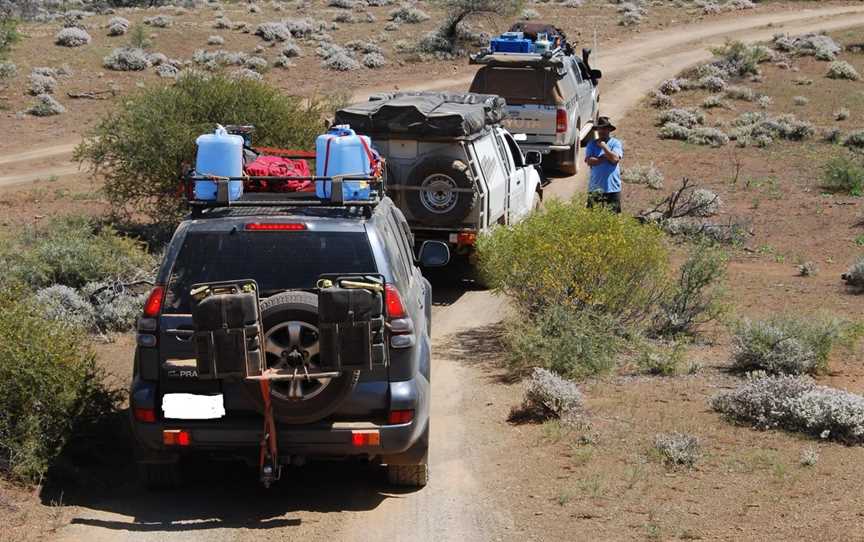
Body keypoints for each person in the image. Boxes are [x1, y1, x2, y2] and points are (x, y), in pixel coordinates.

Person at [585, 117, 623, 213]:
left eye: (605, 128)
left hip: (613, 188)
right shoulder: (591, 144)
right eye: (600, 128)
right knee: (592, 218)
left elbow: (615, 159)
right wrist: (607, 156)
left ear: (609, 130)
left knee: (613, 218)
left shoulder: (615, 143)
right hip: (595, 188)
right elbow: (589, 161)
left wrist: (604, 147)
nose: (602, 130)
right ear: (597, 130)